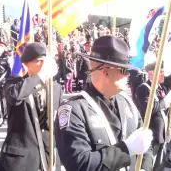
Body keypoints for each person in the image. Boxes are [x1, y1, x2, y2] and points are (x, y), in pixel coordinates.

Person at [55, 36, 153, 171]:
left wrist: (144, 168)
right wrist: (126, 149)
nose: (128, 75)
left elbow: (146, 140)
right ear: (106, 72)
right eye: (124, 70)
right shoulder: (74, 111)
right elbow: (79, 164)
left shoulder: (126, 102)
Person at [0, 43, 63, 171]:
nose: (44, 65)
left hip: (48, 154)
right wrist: (41, 76)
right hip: (21, 156)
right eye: (39, 61)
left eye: (45, 61)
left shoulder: (56, 88)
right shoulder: (14, 84)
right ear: (26, 63)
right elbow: (15, 97)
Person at [134, 62, 171, 171]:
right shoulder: (143, 88)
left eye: (163, 72)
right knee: (148, 165)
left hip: (161, 134)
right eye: (160, 72)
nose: (163, 75)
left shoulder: (160, 88)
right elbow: (150, 108)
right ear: (150, 74)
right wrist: (165, 102)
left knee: (159, 166)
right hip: (151, 135)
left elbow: (162, 110)